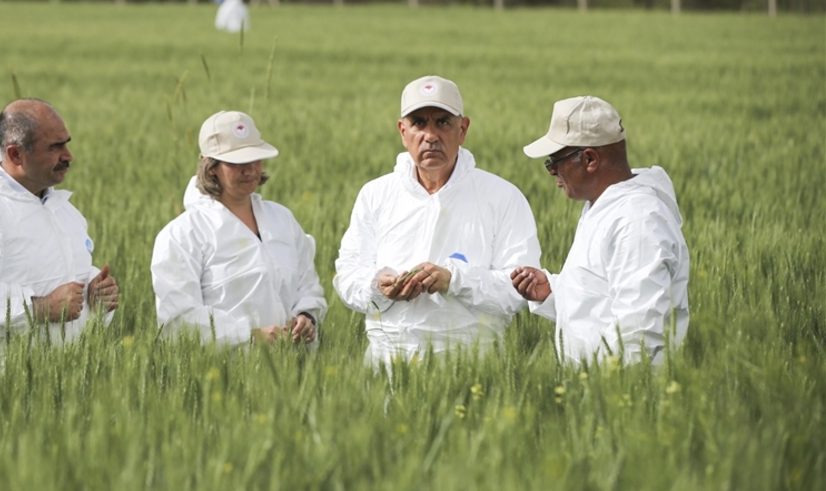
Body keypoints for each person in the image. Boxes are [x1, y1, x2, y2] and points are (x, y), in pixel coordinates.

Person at [333, 75, 542, 364]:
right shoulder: (376, 195)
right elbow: (347, 274)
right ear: (402, 131)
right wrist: (376, 286)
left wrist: (454, 280)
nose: (430, 135)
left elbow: (519, 289)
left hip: (472, 367)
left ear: (463, 129)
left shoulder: (502, 197)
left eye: (443, 122)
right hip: (386, 366)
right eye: (419, 123)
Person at [0, 99, 119, 353]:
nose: (68, 156)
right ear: (15, 154)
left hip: (70, 382)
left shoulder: (66, 213)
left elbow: (64, 290)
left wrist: (95, 295)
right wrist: (40, 309)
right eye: (55, 147)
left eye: (66, 144)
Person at [511, 96, 689, 366]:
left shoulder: (637, 222)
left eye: (555, 161)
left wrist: (613, 402)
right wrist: (552, 292)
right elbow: (601, 298)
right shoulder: (604, 205)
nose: (552, 172)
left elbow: (639, 338)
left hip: (618, 398)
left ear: (590, 159)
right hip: (593, 395)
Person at [151, 110, 326, 346]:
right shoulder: (182, 235)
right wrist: (250, 337)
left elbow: (308, 285)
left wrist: (307, 316)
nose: (250, 170)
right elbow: (178, 320)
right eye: (237, 163)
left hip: (292, 373)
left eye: (255, 159)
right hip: (222, 376)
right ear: (210, 166)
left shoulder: (283, 219)